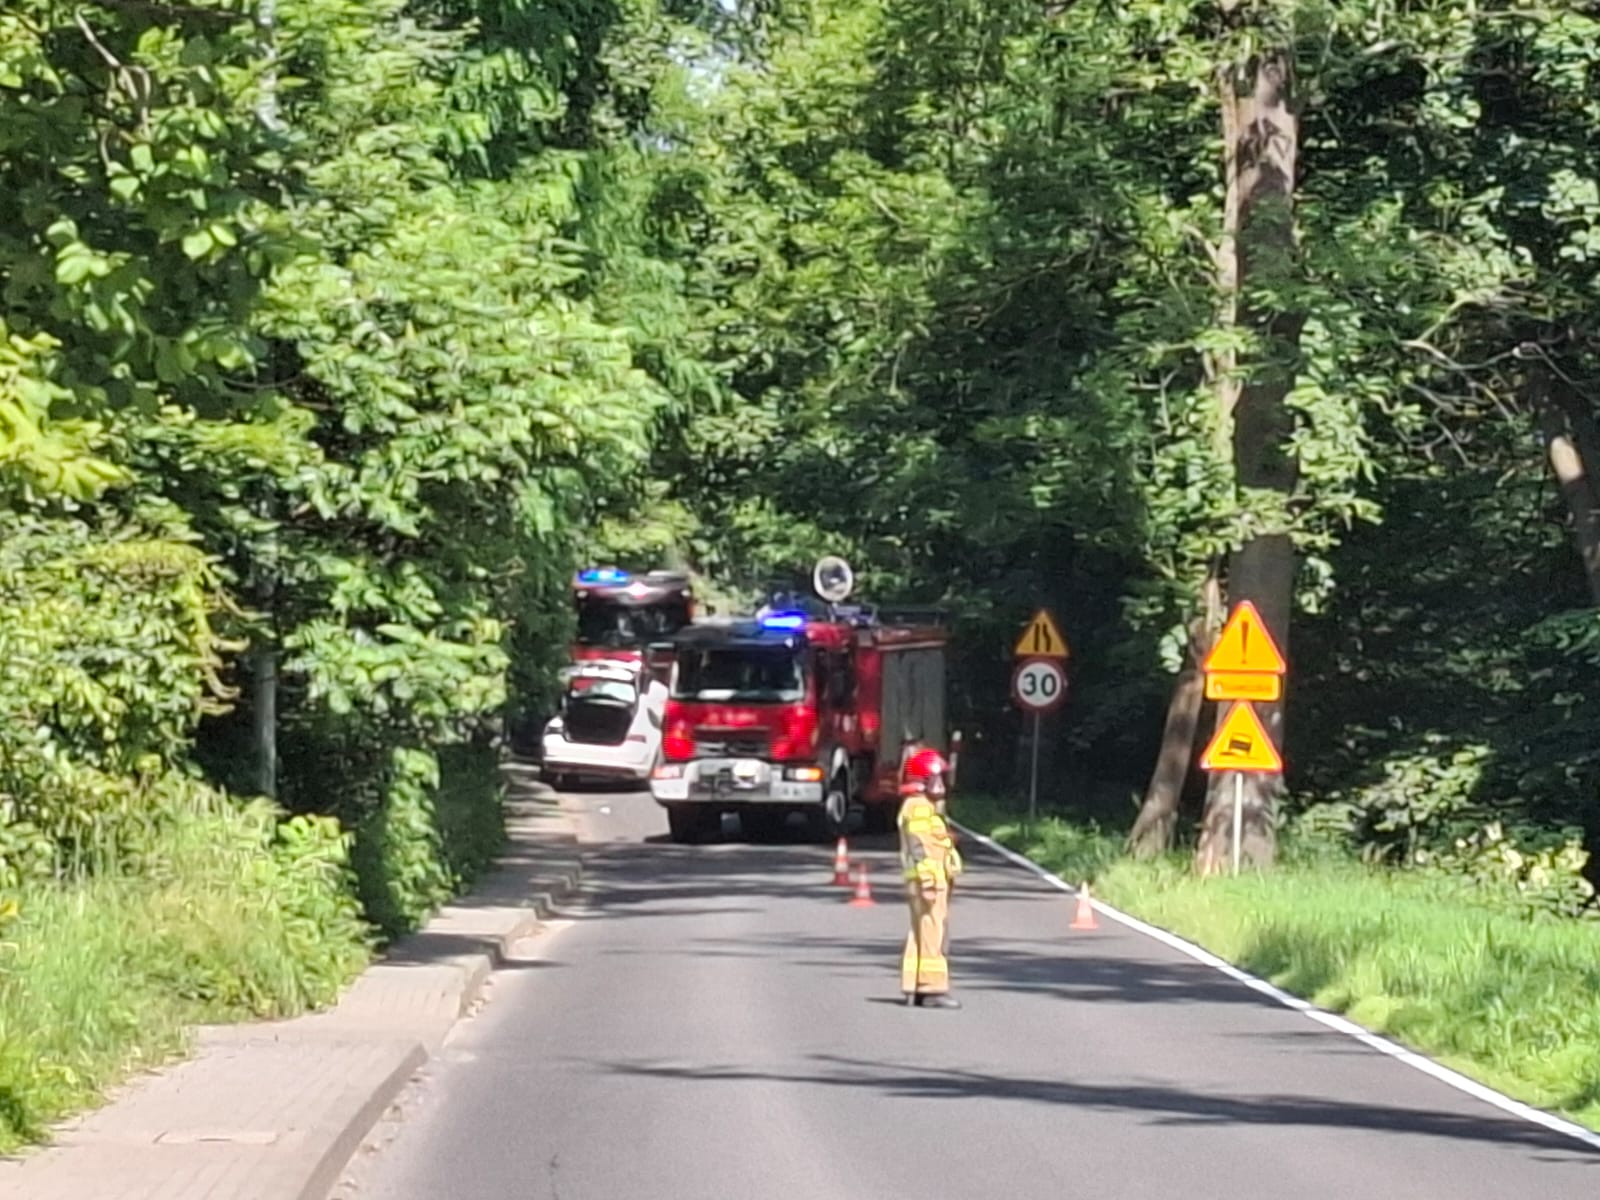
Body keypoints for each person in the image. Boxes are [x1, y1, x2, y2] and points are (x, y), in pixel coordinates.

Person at [897, 746, 963, 1010]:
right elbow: (919, 846)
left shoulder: (921, 806)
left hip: (928, 880)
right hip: (929, 881)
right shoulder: (920, 809)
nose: (943, 784)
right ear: (927, 779)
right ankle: (932, 989)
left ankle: (914, 986)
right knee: (933, 934)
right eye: (939, 778)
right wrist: (928, 880)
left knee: (920, 932)